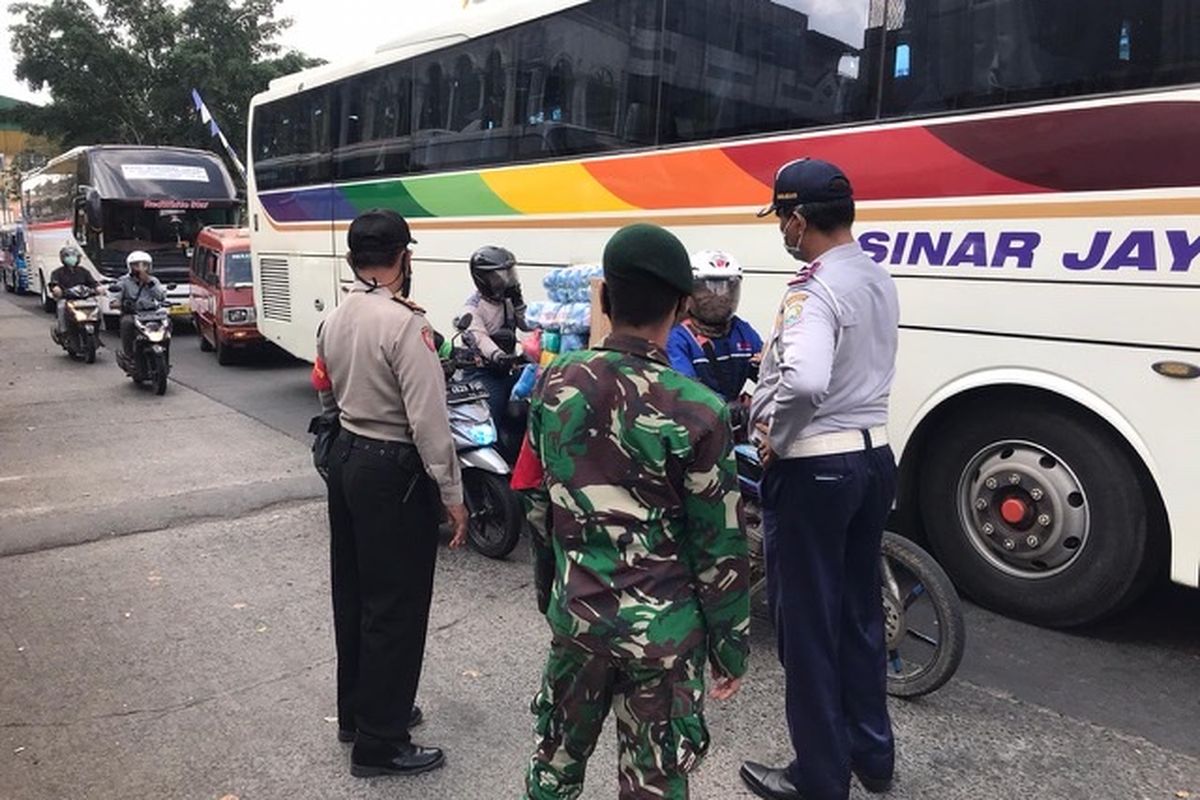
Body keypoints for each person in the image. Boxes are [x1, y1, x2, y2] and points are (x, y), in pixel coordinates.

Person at [522, 223, 751, 800]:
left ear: (603, 298)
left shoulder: (554, 383)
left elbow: (539, 502)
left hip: (577, 617)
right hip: (663, 636)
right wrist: (729, 645)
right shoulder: (699, 410)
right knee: (654, 783)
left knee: (554, 767)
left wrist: (555, 593)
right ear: (680, 306)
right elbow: (719, 543)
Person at [739, 159, 901, 800]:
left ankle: (820, 776)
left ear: (799, 219)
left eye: (783, 217)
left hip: (815, 468)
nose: (782, 229)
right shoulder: (876, 276)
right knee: (858, 613)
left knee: (806, 626)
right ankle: (872, 756)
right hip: (873, 459)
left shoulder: (811, 289)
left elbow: (804, 380)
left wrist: (774, 438)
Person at [311, 209, 470, 779]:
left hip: (349, 458)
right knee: (396, 606)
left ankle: (361, 711)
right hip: (393, 470)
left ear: (354, 260)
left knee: (354, 593)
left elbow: (325, 391)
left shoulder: (336, 316)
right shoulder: (408, 325)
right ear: (404, 257)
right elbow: (429, 421)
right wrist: (453, 493)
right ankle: (381, 741)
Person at [459, 245, 533, 452]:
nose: (507, 280)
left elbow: (527, 325)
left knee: (530, 405)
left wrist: (519, 304)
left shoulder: (507, 301)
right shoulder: (473, 308)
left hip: (509, 367)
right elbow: (480, 338)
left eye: (510, 273)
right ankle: (496, 461)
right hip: (484, 371)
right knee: (494, 413)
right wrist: (498, 355)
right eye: (501, 275)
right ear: (483, 279)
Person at [667, 249, 764, 404]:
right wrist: (736, 410)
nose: (718, 297)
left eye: (727, 289)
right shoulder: (679, 338)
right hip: (698, 420)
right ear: (689, 292)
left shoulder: (742, 332)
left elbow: (770, 378)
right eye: (708, 290)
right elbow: (689, 393)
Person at [109, 251, 166, 363]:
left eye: (144, 265)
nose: (141, 268)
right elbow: (115, 298)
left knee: (166, 323)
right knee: (127, 323)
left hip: (151, 313)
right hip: (133, 313)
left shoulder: (153, 280)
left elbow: (161, 296)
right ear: (130, 267)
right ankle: (129, 355)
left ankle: (163, 348)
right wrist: (118, 303)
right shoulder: (123, 281)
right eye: (137, 265)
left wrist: (149, 283)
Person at [48, 245, 98, 337]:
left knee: (96, 306)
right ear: (63, 258)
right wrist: (56, 289)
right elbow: (53, 284)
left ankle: (98, 327)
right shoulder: (57, 272)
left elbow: (92, 283)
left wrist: (98, 288)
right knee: (61, 306)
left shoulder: (83, 271)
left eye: (75, 256)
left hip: (84, 299)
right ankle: (64, 331)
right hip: (67, 298)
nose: (72, 259)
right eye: (68, 256)